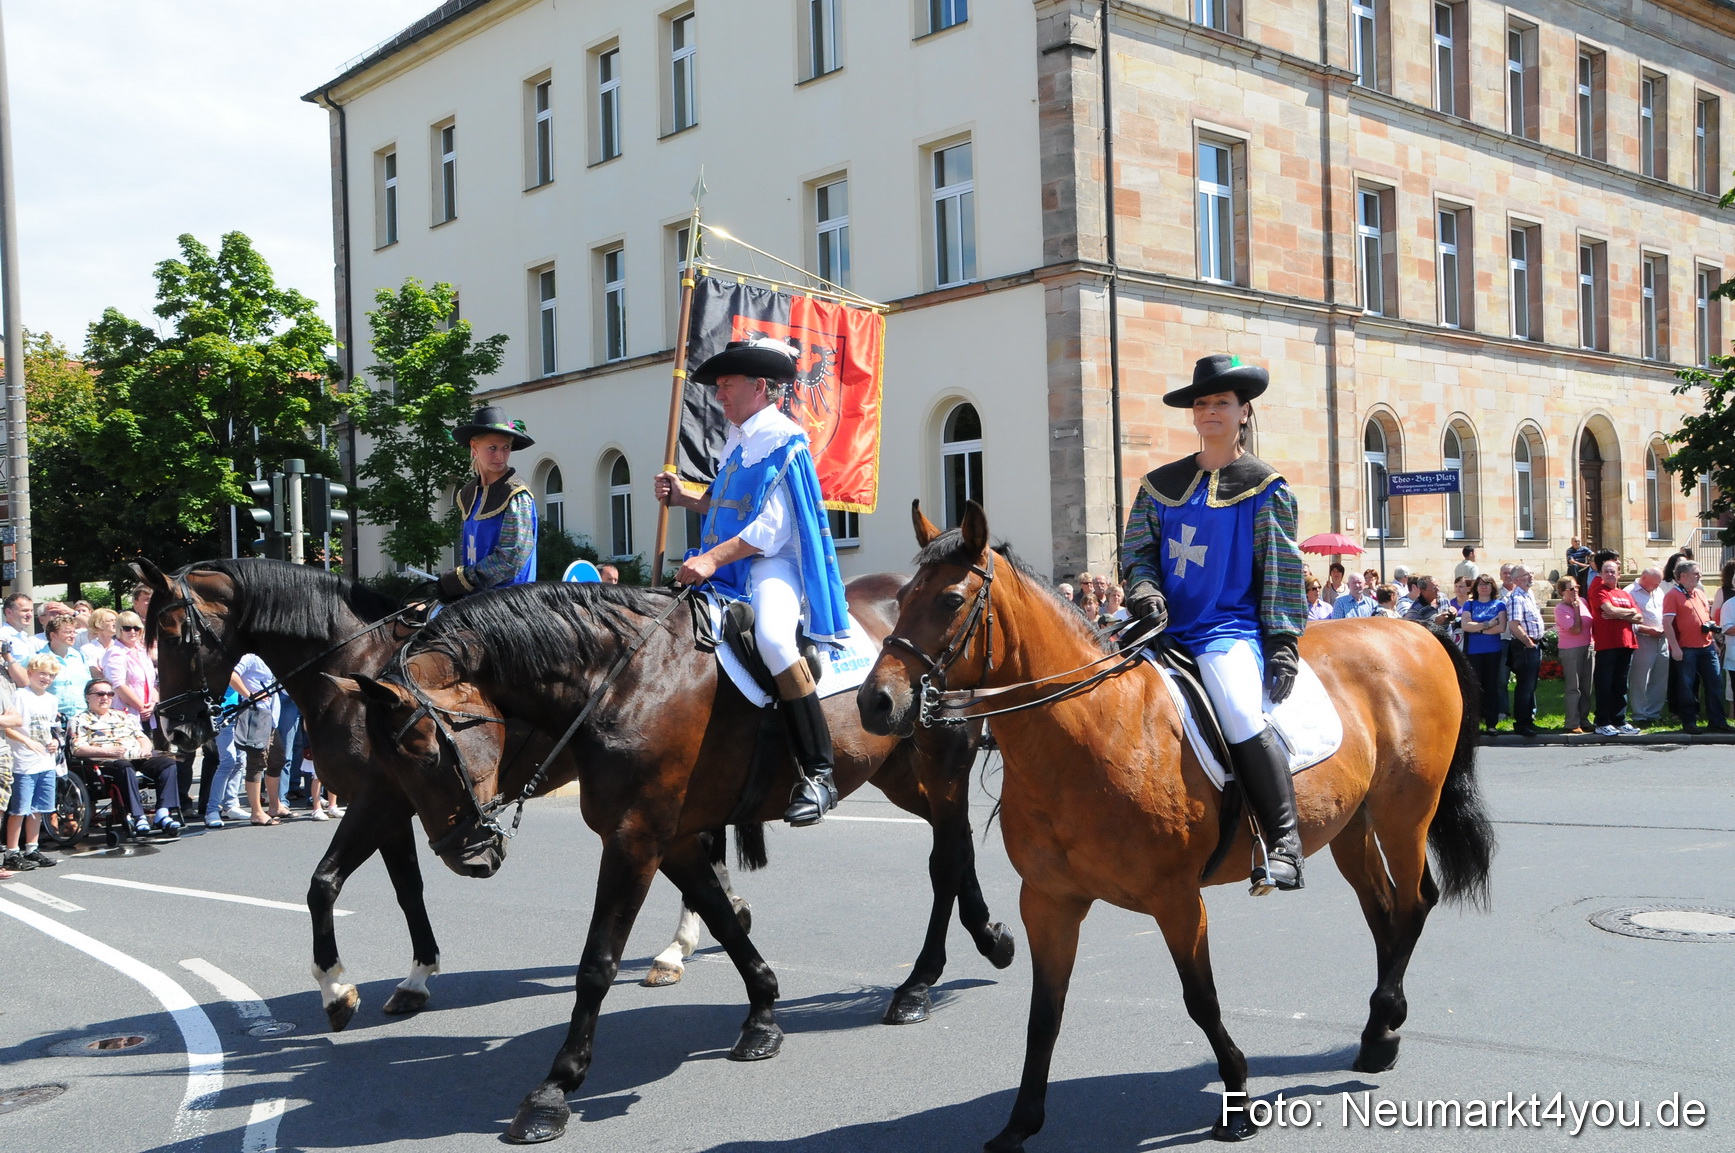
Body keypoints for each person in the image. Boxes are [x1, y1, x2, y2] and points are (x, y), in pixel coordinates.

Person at [1121, 353, 1307, 894]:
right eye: (1201, 403)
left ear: (1243, 411)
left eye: (1221, 402)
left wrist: (1282, 643)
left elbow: (1282, 569)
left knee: (1240, 710)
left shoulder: (1265, 486)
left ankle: (1284, 843)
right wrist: (1145, 591)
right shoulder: (1160, 484)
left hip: (1226, 630)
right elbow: (1138, 552)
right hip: (1162, 629)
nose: (1210, 411)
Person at [654, 337, 851, 826]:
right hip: (728, 564)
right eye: (717, 386)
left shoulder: (783, 439)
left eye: (726, 385)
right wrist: (686, 499)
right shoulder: (740, 440)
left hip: (772, 565)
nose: (718, 395)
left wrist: (711, 559)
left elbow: (772, 527)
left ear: (759, 387)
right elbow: (727, 507)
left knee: (774, 640)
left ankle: (819, 772)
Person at [437, 405, 540, 602]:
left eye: (505, 448)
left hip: (511, 604)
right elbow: (470, 552)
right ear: (474, 448)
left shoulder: (516, 494)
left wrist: (464, 578)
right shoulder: (468, 494)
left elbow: (512, 559)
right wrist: (460, 585)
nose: (500, 456)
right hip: (476, 602)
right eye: (492, 448)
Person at [69, 678, 182, 834]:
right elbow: (78, 749)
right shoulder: (79, 720)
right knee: (125, 767)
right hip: (105, 763)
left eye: (110, 694)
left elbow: (142, 737)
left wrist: (145, 748)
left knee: (167, 763)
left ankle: (163, 813)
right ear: (88, 697)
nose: (105, 698)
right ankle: (138, 816)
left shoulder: (122, 716)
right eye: (100, 694)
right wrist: (108, 752)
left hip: (136, 757)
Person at [204, 652, 281, 828]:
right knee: (228, 761)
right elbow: (231, 675)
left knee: (240, 760)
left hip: (242, 714)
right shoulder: (240, 658)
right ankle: (212, 810)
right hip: (224, 713)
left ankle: (230, 804)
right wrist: (250, 695)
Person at [2, 655, 64, 872]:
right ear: (30, 673)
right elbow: (8, 726)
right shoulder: (20, 696)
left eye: (51, 675)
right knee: (20, 809)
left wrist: (55, 741)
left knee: (38, 808)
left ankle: (32, 847)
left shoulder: (51, 699)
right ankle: (11, 852)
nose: (46, 678)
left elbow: (51, 728)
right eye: (43, 673)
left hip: (45, 761)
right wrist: (26, 740)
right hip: (23, 762)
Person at [1663, 561, 1730, 733]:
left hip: (1707, 647)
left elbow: (1705, 620)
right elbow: (1667, 623)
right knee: (1687, 686)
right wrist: (1675, 648)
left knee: (1715, 683)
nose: (1699, 576)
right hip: (1686, 648)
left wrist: (1714, 641)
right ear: (1683, 576)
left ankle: (1717, 721)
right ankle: (1689, 722)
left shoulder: (1699, 593)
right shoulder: (1672, 595)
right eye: (1696, 573)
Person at [1586, 557, 1642, 736]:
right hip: (1607, 644)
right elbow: (1609, 611)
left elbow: (1639, 617)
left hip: (1627, 643)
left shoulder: (1625, 594)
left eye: (1613, 571)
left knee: (1620, 684)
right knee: (1605, 683)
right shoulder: (1599, 591)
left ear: (1618, 574)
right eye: (1606, 571)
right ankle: (1602, 721)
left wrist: (1622, 614)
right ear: (1601, 574)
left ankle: (1619, 720)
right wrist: (1629, 613)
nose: (1610, 574)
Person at [1459, 575, 1509, 733]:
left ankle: (1491, 723)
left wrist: (1478, 628)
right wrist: (1487, 625)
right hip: (1473, 652)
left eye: (1487, 584)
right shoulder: (1470, 604)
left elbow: (1501, 628)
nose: (1484, 587)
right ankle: (1473, 723)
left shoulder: (1499, 605)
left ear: (1492, 587)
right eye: (1480, 584)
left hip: (1492, 651)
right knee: (1474, 687)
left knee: (1491, 686)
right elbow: (1466, 625)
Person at [1624, 567, 1669, 726]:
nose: (1657, 586)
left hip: (1662, 639)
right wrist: (1647, 629)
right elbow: (1626, 621)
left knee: (1660, 677)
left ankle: (1654, 713)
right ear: (1643, 578)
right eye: (1654, 583)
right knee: (1640, 678)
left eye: (1658, 583)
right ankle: (1640, 714)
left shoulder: (1659, 591)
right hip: (1642, 639)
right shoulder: (1629, 592)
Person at [1505, 565, 1545, 737]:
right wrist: (1529, 643)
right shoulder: (1516, 598)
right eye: (1526, 575)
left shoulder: (1528, 595)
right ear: (1515, 580)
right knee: (1524, 687)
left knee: (1530, 687)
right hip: (1525, 647)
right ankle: (1522, 724)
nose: (1530, 577)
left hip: (1534, 644)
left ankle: (1528, 721)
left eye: (1531, 573)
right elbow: (1514, 625)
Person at [103, 611, 157, 729]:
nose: (132, 632)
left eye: (136, 628)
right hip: (126, 717)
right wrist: (142, 708)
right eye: (127, 628)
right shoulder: (115, 652)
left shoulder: (142, 651)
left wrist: (153, 704)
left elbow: (151, 683)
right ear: (119, 630)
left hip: (149, 716)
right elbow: (118, 686)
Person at [1554, 577, 1594, 734]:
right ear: (1563, 592)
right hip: (1571, 649)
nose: (1575, 591)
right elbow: (1576, 629)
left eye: (1577, 587)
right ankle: (1572, 722)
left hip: (1588, 646)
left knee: (1586, 686)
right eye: (1571, 589)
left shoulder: (1583, 601)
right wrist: (1576, 609)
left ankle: (1584, 719)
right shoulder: (1560, 609)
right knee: (1574, 687)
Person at [41, 615, 91, 721]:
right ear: (53, 635)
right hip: (53, 720)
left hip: (82, 718)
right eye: (68, 632)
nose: (73, 636)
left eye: (74, 632)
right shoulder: (38, 659)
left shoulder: (80, 656)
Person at [0, 592, 40, 687]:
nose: (30, 614)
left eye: (31, 610)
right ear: (8, 612)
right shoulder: (3, 637)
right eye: (25, 610)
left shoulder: (24, 637)